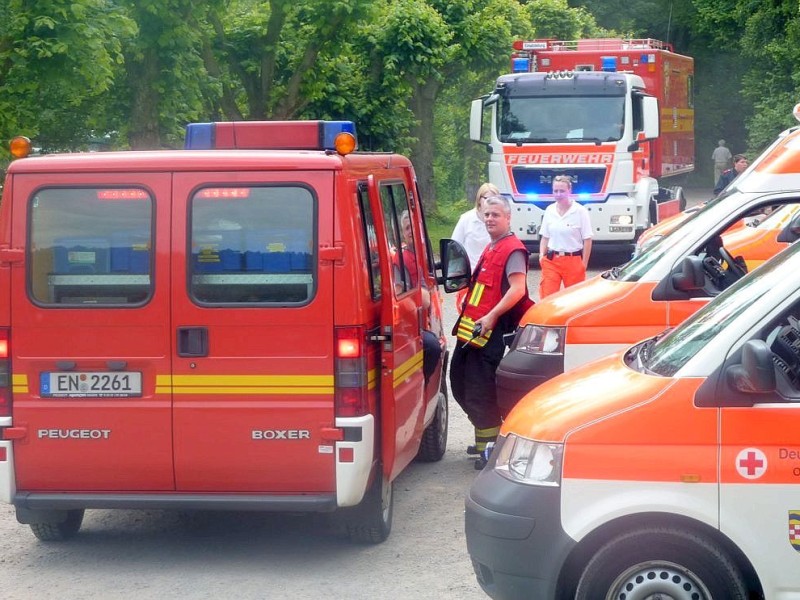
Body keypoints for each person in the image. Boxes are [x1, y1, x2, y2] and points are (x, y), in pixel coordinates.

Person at [450, 195, 533, 470]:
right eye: (486, 215)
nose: (490, 219)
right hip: (473, 332)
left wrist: (492, 315)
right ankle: (483, 444)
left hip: (491, 334)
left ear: (508, 218)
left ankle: (491, 451)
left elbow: (518, 289)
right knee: (464, 385)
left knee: (481, 391)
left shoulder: (513, 249)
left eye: (495, 215)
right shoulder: (492, 246)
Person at [398, 211, 442, 385]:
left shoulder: (421, 256)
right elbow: (422, 300)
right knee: (432, 346)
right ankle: (422, 385)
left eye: (413, 227)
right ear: (402, 233)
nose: (410, 231)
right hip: (407, 321)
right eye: (407, 228)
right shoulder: (401, 259)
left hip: (422, 320)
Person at [538, 175, 593, 299]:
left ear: (570, 191)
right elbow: (545, 237)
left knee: (574, 299)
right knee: (547, 298)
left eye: (562, 191)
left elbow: (587, 239)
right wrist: (542, 255)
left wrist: (584, 264)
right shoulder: (549, 210)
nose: (558, 194)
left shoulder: (580, 211)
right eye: (555, 191)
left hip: (573, 260)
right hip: (551, 260)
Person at [451, 183, 495, 268]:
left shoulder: (499, 222)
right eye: (487, 198)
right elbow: (454, 246)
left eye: (494, 199)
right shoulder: (466, 219)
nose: (491, 202)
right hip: (470, 273)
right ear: (479, 200)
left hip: (490, 274)